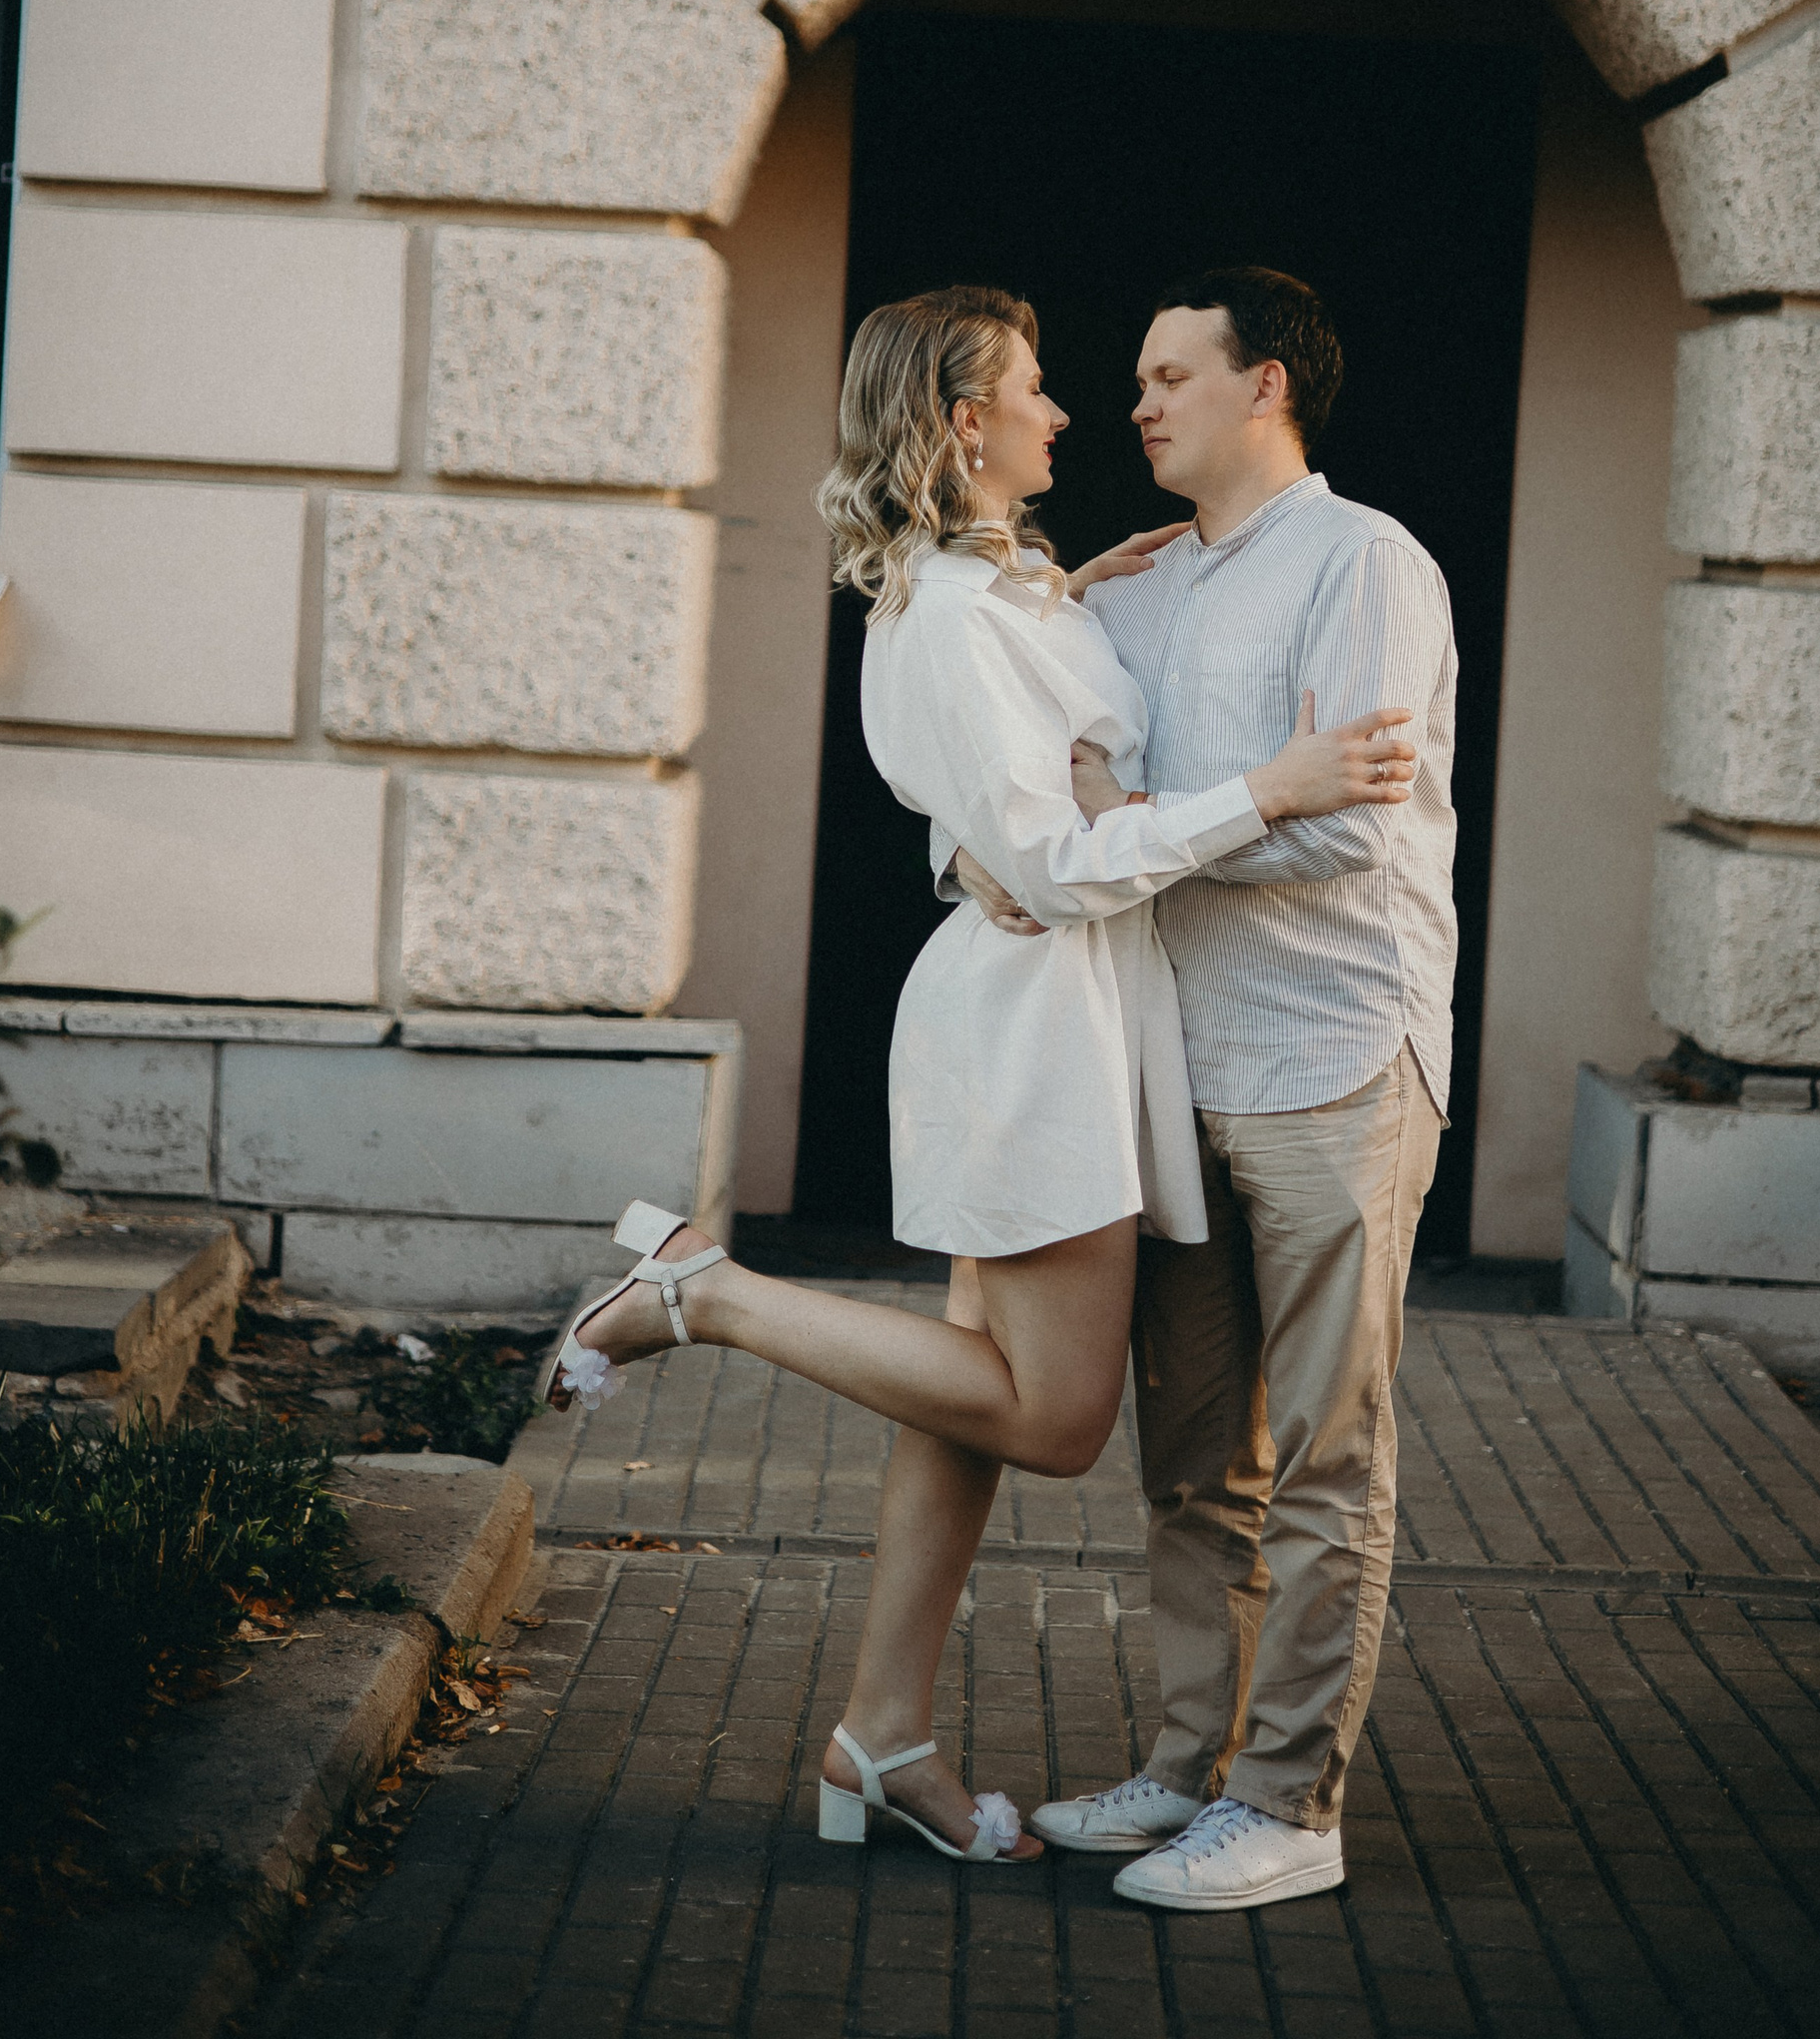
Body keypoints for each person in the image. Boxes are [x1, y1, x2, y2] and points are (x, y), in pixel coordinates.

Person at [542, 284, 1418, 1869]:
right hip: (1037, 1029)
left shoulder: (1040, 586)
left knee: (959, 1403)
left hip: (1103, 1018)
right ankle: (708, 1295)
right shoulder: (956, 609)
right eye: (1039, 385)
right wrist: (1244, 792)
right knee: (1058, 1419)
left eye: (1154, 375)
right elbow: (1055, 845)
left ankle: (882, 1737)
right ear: (962, 424)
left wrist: (1048, 689)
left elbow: (1031, 795)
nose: (1082, 408)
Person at [954, 266, 1457, 1914]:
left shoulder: (1364, 561)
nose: (1136, 403)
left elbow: (1347, 827)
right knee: (1192, 1464)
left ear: (1268, 385)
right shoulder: (1141, 587)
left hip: (1333, 1058)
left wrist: (1141, 816)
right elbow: (1043, 800)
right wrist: (1125, 812)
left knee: (1324, 1459)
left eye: (1172, 374)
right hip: (1170, 1065)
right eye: (1137, 377)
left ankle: (1292, 1803)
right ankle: (1191, 1770)